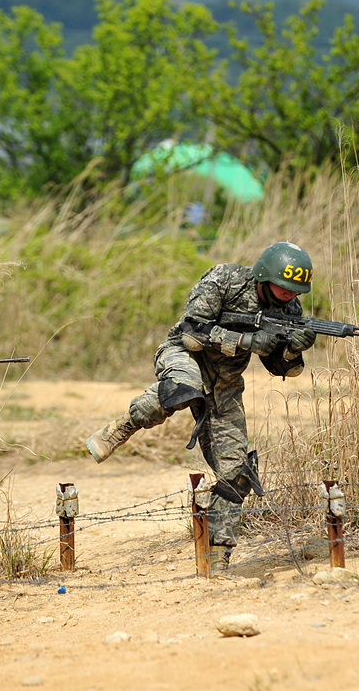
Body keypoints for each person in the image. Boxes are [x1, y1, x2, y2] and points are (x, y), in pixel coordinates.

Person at [85, 241, 318, 568]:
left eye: (295, 291)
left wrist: (293, 350)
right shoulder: (226, 280)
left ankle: (217, 556)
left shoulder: (290, 311)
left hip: (225, 384)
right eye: (284, 287)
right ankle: (122, 426)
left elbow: (285, 370)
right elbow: (193, 332)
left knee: (238, 473)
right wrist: (246, 340)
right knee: (184, 388)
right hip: (184, 357)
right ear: (265, 276)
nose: (289, 295)